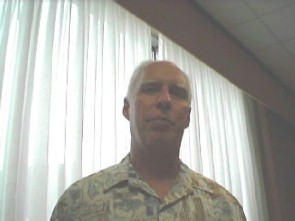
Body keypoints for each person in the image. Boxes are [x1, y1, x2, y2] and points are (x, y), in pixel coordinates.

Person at [51, 60, 246, 220]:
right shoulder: (79, 202)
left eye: (177, 93)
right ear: (127, 108)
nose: (165, 100)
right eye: (151, 89)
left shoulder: (225, 208)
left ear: (187, 116)